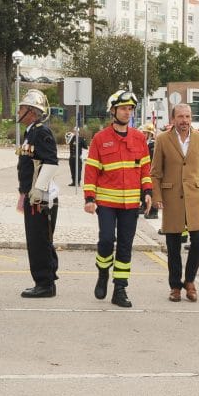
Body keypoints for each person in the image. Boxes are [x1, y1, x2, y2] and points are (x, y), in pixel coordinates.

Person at [83, 90, 152, 307]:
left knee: (125, 245)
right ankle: (103, 272)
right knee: (105, 240)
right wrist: (89, 198)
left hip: (130, 204)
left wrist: (148, 192)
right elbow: (91, 170)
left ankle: (120, 288)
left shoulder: (139, 138)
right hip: (106, 203)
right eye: (123, 108)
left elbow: (145, 169)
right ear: (113, 111)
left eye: (130, 109)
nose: (127, 112)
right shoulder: (100, 139)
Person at [150, 103, 199, 302]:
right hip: (172, 197)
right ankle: (175, 286)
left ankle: (190, 281)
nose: (185, 121)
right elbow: (156, 172)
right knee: (173, 244)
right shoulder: (162, 139)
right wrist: (157, 196)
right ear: (173, 119)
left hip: (195, 197)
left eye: (188, 116)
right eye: (181, 117)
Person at [16, 89, 60, 298]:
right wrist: (24, 192)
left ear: (32, 112)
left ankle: (45, 283)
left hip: (39, 197)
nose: (18, 111)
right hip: (32, 194)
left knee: (39, 240)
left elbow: (51, 162)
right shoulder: (31, 131)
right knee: (37, 239)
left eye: (22, 108)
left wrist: (36, 192)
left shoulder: (41, 132)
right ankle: (45, 280)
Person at [142, 122, 159, 219]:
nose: (143, 135)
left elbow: (152, 160)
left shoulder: (153, 145)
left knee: (153, 192)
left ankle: (154, 212)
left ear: (150, 134)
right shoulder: (148, 144)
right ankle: (148, 209)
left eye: (145, 133)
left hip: (152, 172)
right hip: (148, 171)